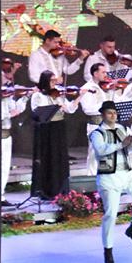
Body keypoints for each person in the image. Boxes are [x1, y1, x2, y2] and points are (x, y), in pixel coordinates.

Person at [89, 101, 132, 263]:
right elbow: (101, 150)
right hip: (108, 178)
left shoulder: (123, 129)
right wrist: (121, 144)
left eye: (114, 113)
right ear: (103, 115)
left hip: (126, 174)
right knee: (111, 214)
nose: (113, 116)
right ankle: (108, 249)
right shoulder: (97, 133)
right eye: (109, 113)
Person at [29, 71, 79, 199]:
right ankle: (47, 190)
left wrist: (79, 97)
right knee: (48, 158)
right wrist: (55, 106)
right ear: (45, 81)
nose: (54, 83)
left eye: (55, 80)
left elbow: (70, 109)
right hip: (46, 129)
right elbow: (37, 112)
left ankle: (61, 190)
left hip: (59, 127)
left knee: (60, 157)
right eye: (51, 80)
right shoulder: (38, 95)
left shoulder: (58, 94)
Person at [79, 62, 120, 175]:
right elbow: (87, 109)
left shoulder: (107, 87)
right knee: (94, 154)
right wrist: (104, 107)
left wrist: (117, 91)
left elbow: (118, 101)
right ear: (95, 73)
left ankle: (107, 179)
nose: (106, 74)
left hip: (109, 125)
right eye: (103, 72)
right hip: (95, 125)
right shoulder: (87, 88)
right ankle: (92, 179)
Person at [0, 85, 30, 206]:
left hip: (7, 135)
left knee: (5, 167)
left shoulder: (6, 97)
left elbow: (17, 108)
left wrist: (26, 97)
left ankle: (0, 195)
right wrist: (10, 114)